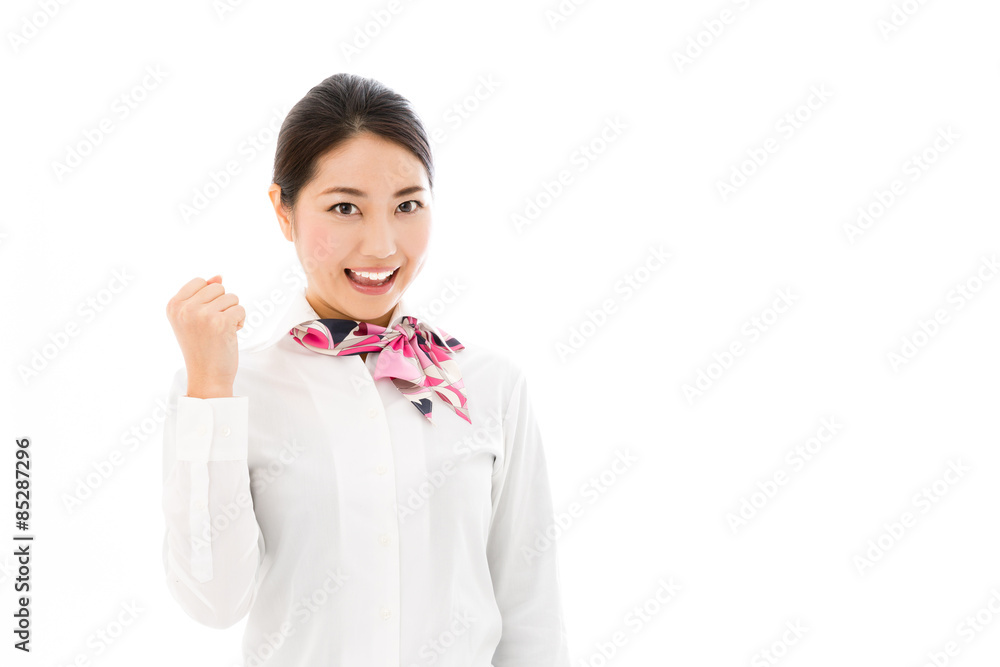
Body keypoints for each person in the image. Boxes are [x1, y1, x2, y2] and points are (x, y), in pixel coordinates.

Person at [160, 73, 571, 666]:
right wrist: (209, 391)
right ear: (284, 210)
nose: (381, 245)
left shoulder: (490, 384)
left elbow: (531, 614)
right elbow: (214, 601)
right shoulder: (227, 390)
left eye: (407, 205)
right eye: (345, 207)